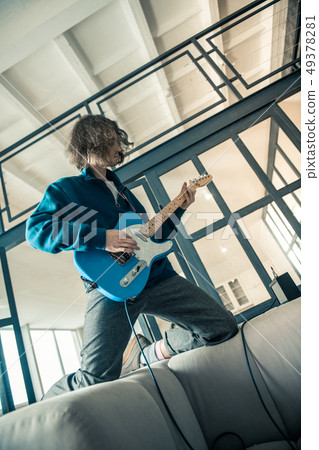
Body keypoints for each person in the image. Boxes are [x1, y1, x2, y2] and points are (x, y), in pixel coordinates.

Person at [26, 115, 238, 399]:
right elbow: (36, 230)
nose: (119, 147)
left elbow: (153, 241)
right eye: (112, 141)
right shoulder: (66, 190)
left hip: (157, 279)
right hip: (111, 288)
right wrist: (104, 238)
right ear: (93, 141)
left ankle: (152, 352)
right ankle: (45, 403)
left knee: (222, 327)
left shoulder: (124, 192)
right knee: (95, 381)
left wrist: (180, 209)